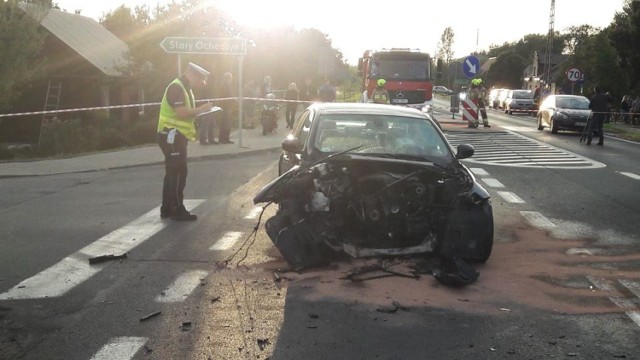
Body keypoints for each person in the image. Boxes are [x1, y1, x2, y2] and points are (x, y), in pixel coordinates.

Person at [157, 62, 212, 221]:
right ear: (192, 75)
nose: (201, 84)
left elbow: (185, 113)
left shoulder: (184, 88)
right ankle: (177, 209)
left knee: (172, 172)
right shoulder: (177, 88)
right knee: (178, 172)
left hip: (174, 135)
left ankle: (166, 208)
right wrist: (202, 109)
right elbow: (181, 113)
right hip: (171, 135)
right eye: (200, 80)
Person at [217, 72, 234, 144]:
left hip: (226, 106)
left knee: (226, 123)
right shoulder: (225, 85)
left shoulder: (225, 85)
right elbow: (224, 96)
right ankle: (224, 138)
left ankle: (225, 138)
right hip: (226, 106)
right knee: (225, 123)